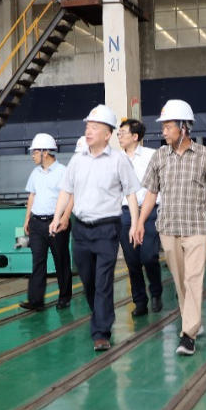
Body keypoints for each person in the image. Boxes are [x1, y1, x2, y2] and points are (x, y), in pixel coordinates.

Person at [133, 99, 206, 356]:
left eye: (168, 126)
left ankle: (188, 335)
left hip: (197, 227)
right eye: (163, 127)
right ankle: (192, 319)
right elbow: (151, 193)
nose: (163, 131)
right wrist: (140, 222)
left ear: (184, 128)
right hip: (169, 227)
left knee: (193, 279)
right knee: (180, 281)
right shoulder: (159, 156)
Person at [51, 105, 140, 352]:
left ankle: (101, 332)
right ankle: (100, 315)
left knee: (102, 282)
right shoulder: (77, 160)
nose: (88, 131)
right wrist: (57, 217)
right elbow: (65, 191)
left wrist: (134, 224)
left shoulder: (119, 161)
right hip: (81, 231)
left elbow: (131, 193)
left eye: (95, 127)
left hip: (107, 230)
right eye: (88, 127)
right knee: (89, 282)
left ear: (107, 134)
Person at [117, 118, 163, 317]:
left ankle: (156, 291)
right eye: (118, 133)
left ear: (135, 136)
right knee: (132, 260)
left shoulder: (152, 156)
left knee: (149, 256)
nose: (119, 137)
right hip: (125, 213)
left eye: (123, 133)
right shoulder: (116, 159)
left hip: (149, 211)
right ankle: (140, 301)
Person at [21, 133, 72, 312]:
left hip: (56, 223)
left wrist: (65, 217)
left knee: (61, 260)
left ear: (45, 152)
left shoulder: (63, 171)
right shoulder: (35, 173)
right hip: (37, 223)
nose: (32, 156)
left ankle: (64, 297)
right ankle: (36, 300)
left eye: (35, 152)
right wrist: (27, 218)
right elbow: (32, 195)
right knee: (38, 261)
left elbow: (70, 196)